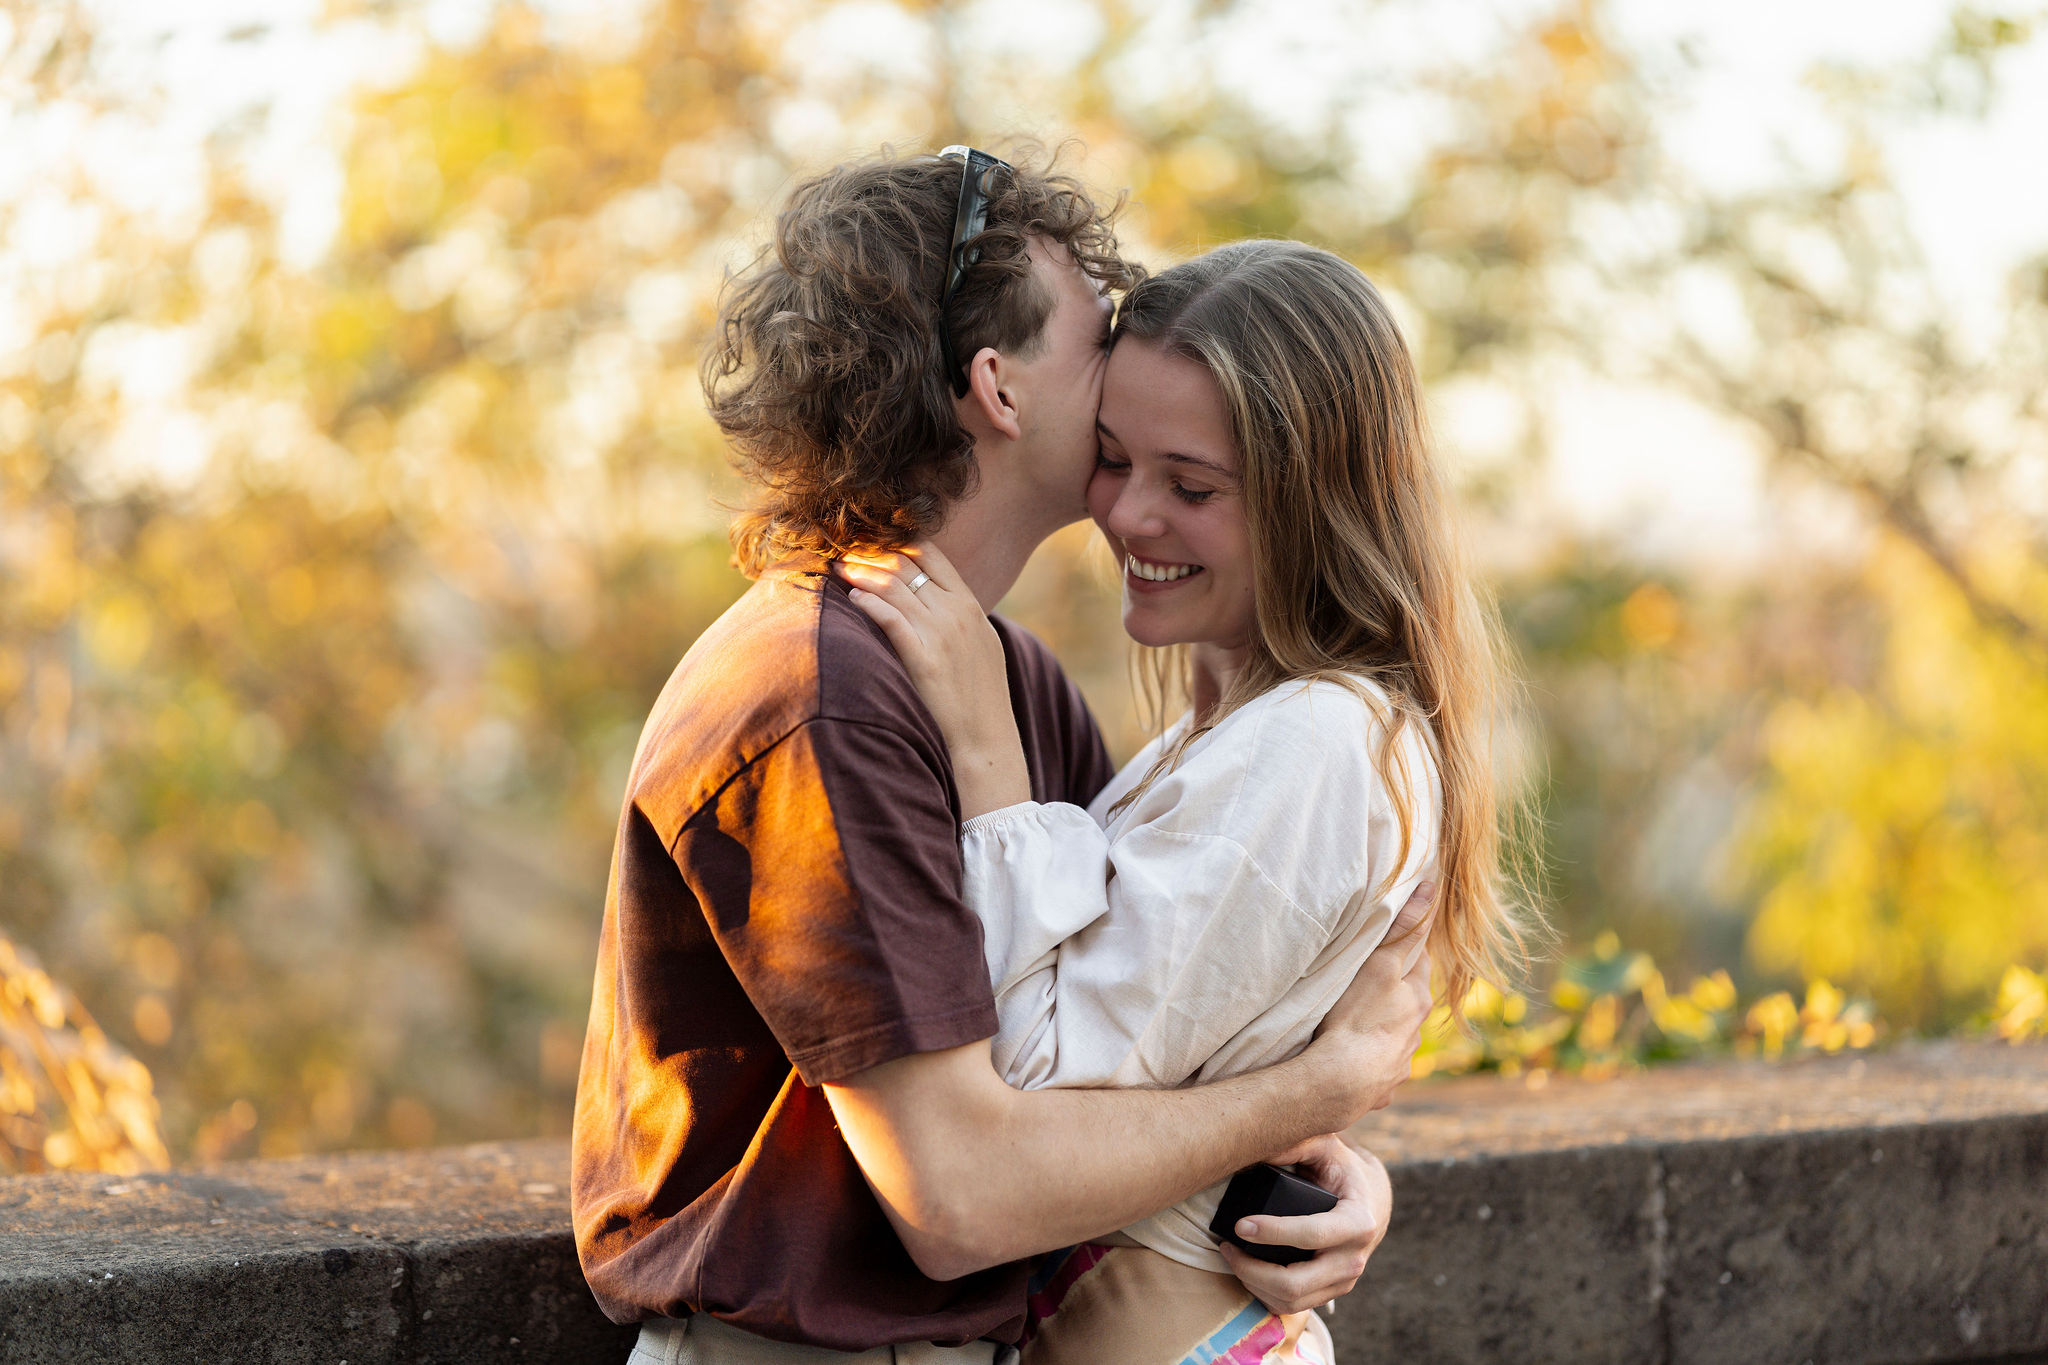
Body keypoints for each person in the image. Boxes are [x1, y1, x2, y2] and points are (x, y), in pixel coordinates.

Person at [569, 149, 1437, 1365]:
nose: (1132, 358)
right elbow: (960, 1197)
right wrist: (1314, 1090)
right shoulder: (825, 698)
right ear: (998, 387)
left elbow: (1128, 1045)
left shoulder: (1002, 681)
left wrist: (1305, 1163)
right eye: (1098, 344)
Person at [831, 239, 1532, 1363]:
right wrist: (1309, 1100)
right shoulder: (1230, 737)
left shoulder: (1313, 742)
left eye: (1191, 486)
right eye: (1112, 459)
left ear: (1316, 498)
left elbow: (1030, 1091)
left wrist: (984, 764)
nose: (1129, 518)